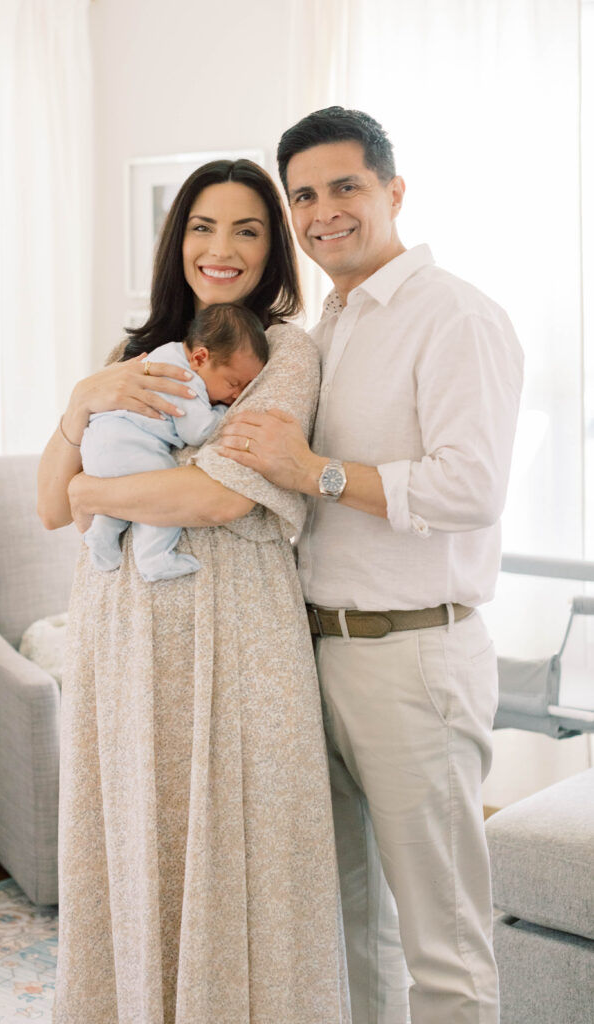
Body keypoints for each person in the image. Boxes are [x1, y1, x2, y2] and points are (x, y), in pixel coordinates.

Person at [218, 107, 524, 1024]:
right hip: (316, 655)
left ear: (392, 191)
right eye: (302, 196)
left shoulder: (456, 316)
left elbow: (470, 488)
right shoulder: (328, 323)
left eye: (344, 187)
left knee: (443, 941)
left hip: (412, 661)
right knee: (348, 927)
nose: (321, 213)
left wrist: (313, 472)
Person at [38, 158, 351, 1024]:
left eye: (248, 230)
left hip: (235, 632)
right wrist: (80, 402)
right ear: (178, 240)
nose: (223, 248)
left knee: (240, 850)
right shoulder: (129, 359)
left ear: (273, 249)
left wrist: (94, 492)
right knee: (134, 839)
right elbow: (43, 502)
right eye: (204, 227)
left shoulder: (284, 353)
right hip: (121, 632)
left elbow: (214, 496)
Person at [81, 303, 268, 579]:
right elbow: (197, 431)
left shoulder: (166, 354)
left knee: (127, 495)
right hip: (127, 444)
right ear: (201, 358)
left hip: (101, 444)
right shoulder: (183, 377)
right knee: (164, 493)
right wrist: (222, 413)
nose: (236, 396)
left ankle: (101, 534)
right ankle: (154, 558)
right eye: (233, 383)